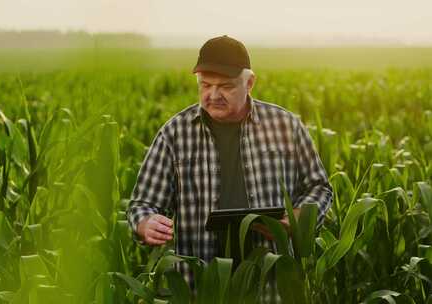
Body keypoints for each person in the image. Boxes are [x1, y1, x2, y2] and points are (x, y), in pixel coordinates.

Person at [126, 35, 332, 299]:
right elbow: (142, 204)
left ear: (250, 82)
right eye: (205, 85)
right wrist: (146, 223)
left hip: (270, 283)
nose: (213, 95)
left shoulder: (284, 126)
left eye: (225, 86)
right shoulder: (175, 133)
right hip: (199, 286)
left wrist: (299, 217)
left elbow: (319, 187)